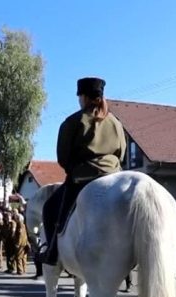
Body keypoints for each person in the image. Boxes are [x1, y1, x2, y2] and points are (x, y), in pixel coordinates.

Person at [43, 76, 126, 265]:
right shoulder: (116, 123)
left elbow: (63, 158)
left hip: (82, 178)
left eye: (79, 97)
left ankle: (52, 251)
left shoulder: (74, 121)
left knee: (50, 209)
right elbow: (121, 153)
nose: (79, 101)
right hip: (114, 175)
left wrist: (73, 169)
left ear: (84, 97)